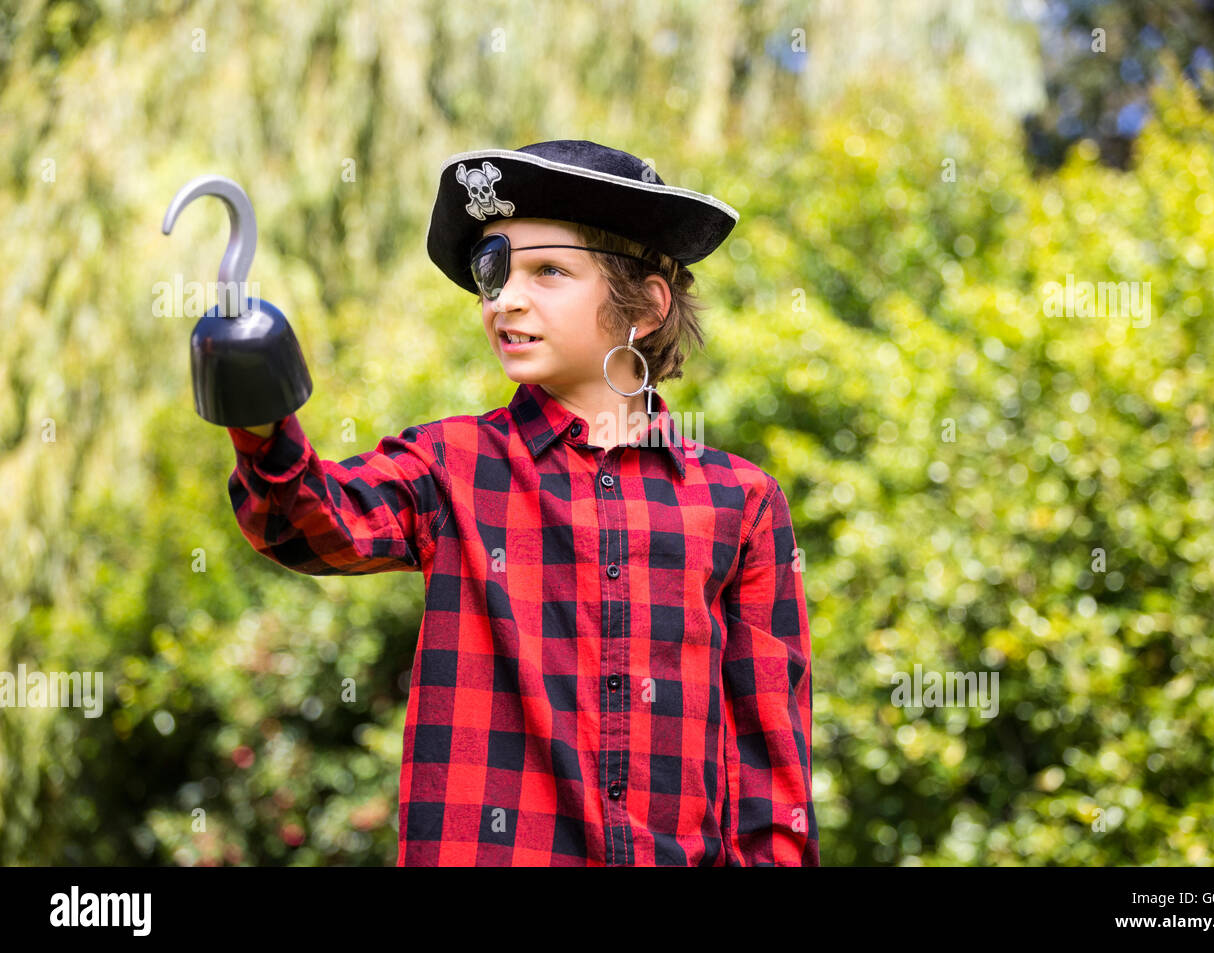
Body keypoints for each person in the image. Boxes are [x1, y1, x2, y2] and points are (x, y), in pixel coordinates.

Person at [226, 139, 818, 865]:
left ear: (644, 306)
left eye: (549, 271)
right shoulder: (451, 466)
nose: (505, 298)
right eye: (494, 271)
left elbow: (770, 764)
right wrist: (258, 411)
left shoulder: (741, 502)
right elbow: (307, 521)